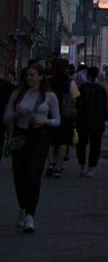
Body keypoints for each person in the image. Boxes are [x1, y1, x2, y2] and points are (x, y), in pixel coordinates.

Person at [4, 62, 61, 233]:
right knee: (19, 175)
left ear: (41, 77)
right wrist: (17, 114)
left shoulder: (49, 96)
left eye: (32, 75)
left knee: (34, 176)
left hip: (39, 137)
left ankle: (30, 215)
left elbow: (58, 120)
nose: (29, 78)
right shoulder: (17, 94)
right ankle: (22, 208)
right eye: (27, 75)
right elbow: (6, 118)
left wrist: (45, 121)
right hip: (21, 136)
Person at [47, 58, 79, 178]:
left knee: (51, 140)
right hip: (65, 115)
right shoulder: (70, 82)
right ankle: (59, 166)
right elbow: (75, 98)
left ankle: (50, 162)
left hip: (50, 114)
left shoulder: (49, 82)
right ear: (66, 69)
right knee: (63, 141)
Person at [74, 66, 108, 177]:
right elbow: (104, 107)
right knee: (95, 145)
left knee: (82, 144)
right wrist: (105, 118)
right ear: (97, 76)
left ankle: (82, 166)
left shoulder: (82, 88)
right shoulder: (101, 89)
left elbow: (79, 105)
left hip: (83, 120)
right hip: (98, 121)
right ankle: (91, 169)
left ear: (87, 75)